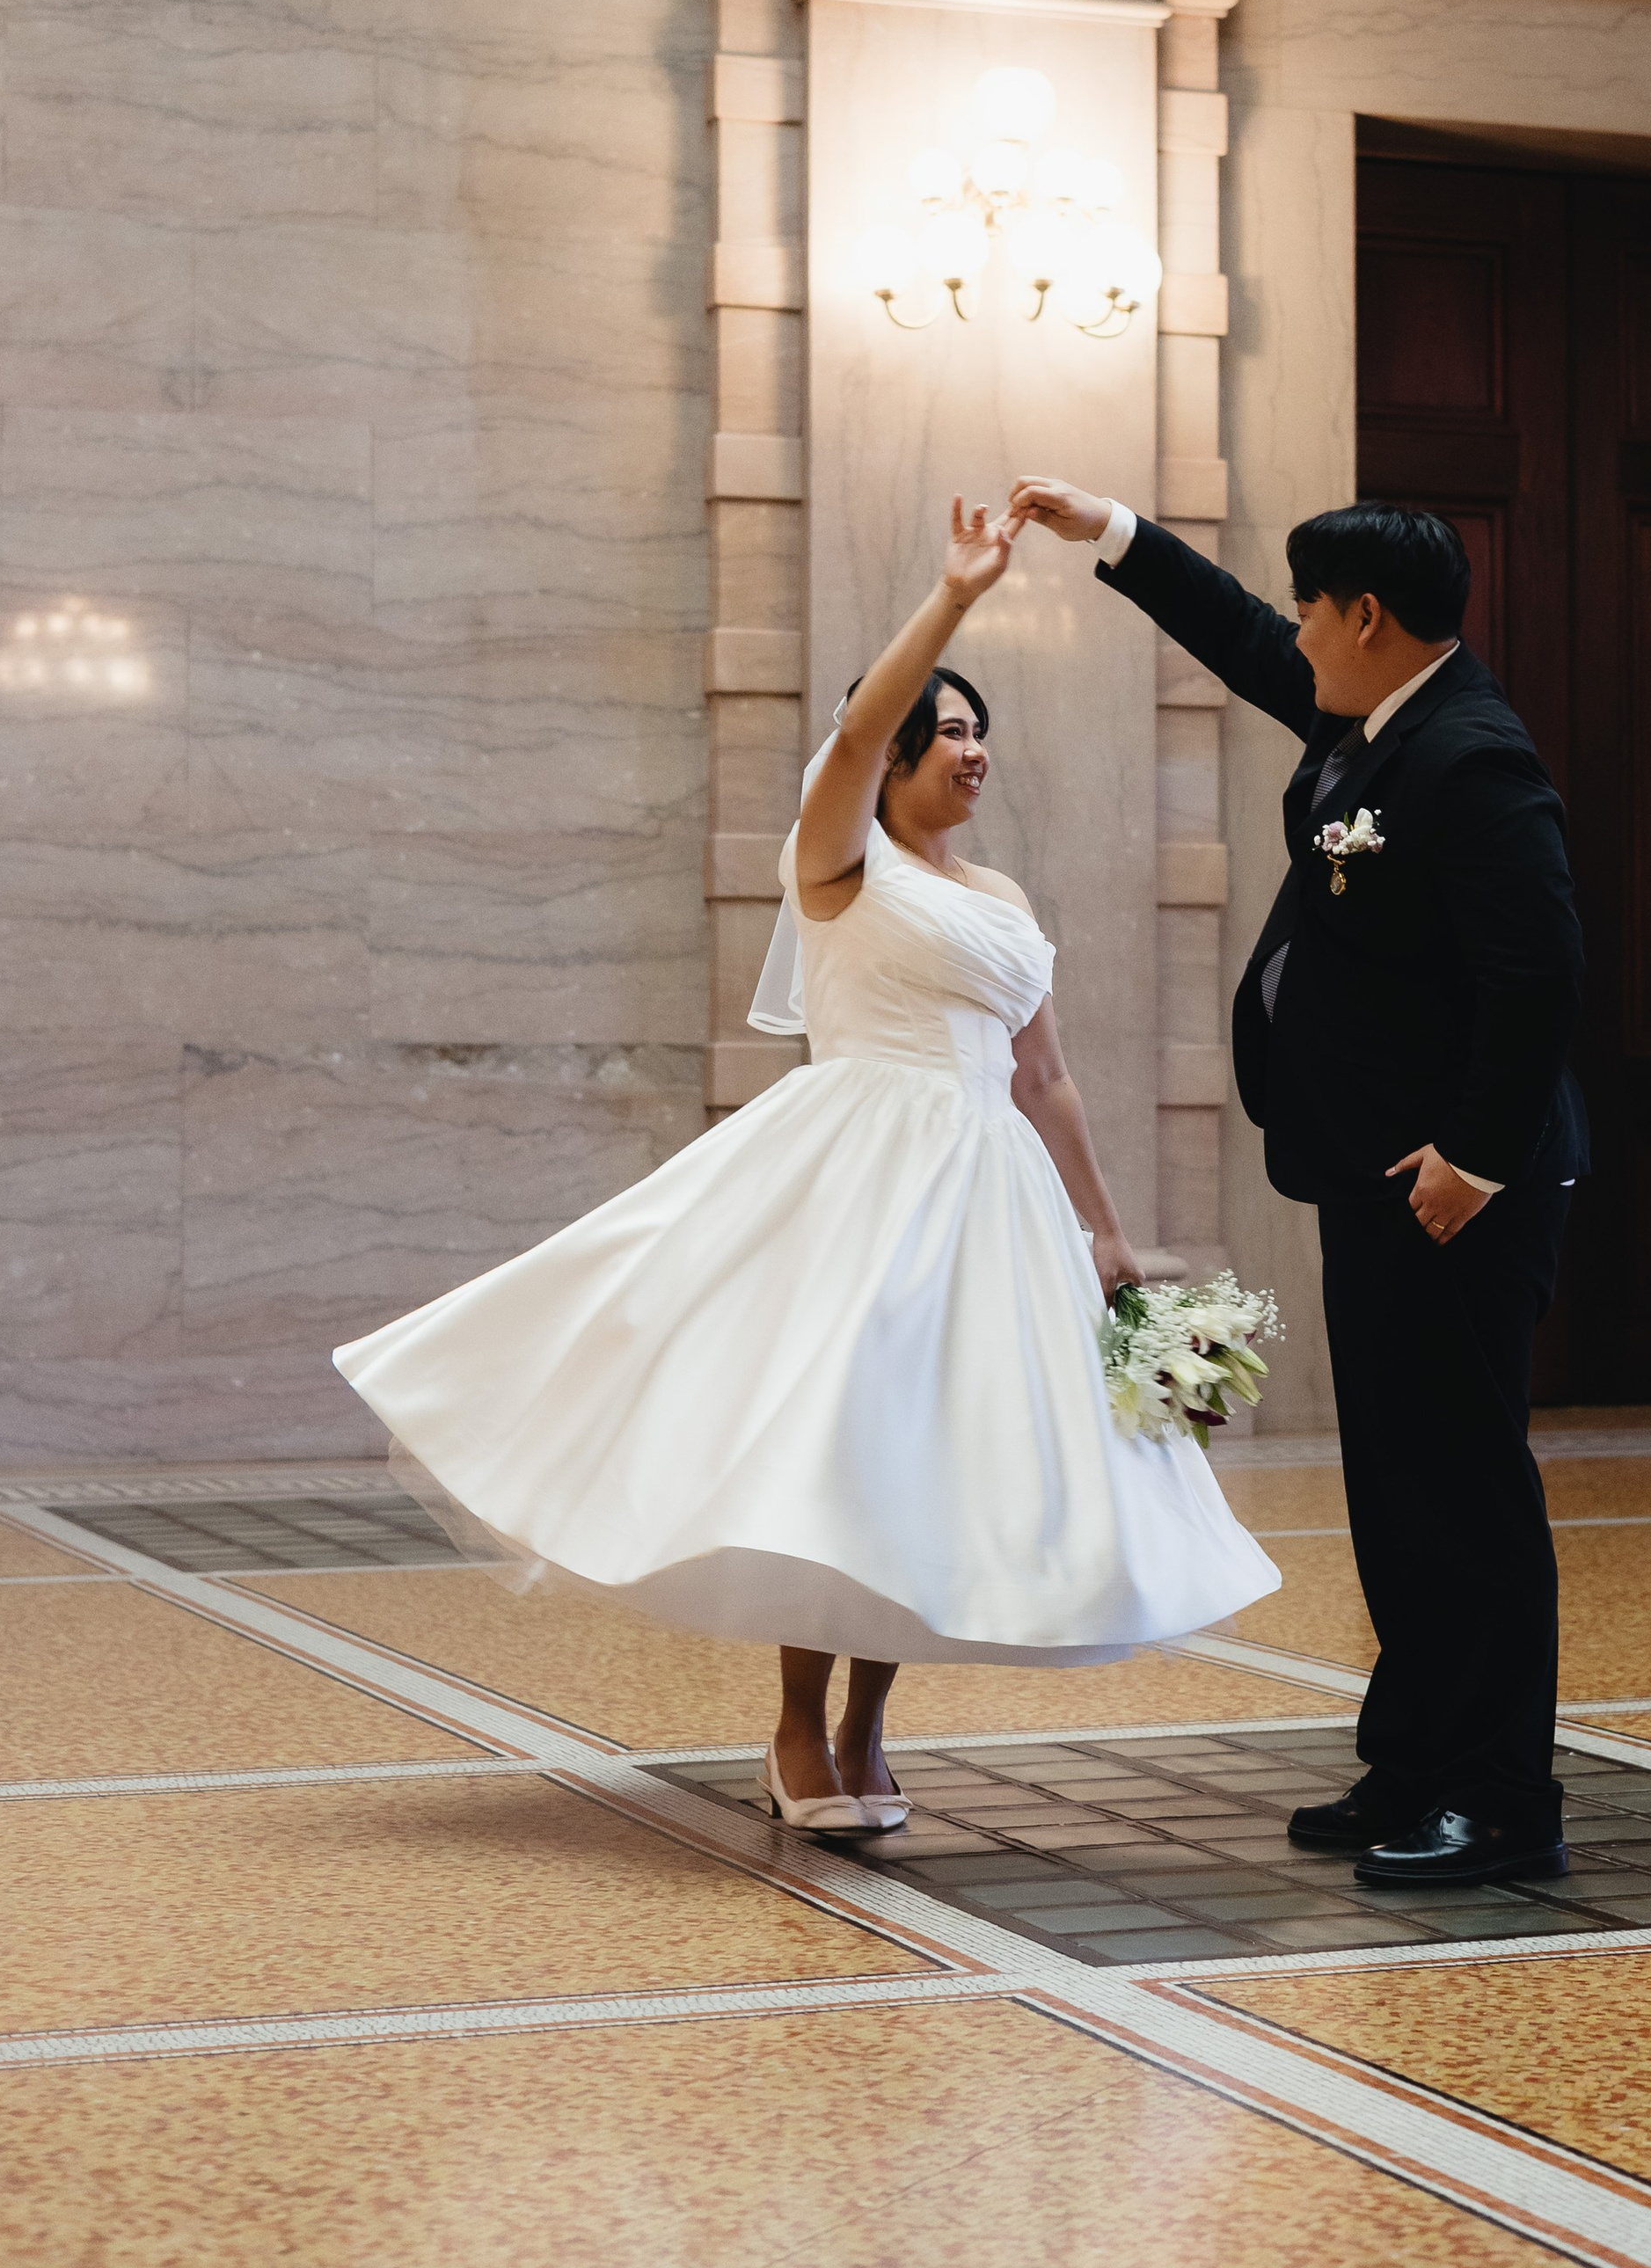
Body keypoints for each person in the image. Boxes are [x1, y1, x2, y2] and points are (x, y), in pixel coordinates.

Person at [334, 499, 1276, 1835]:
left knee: (927, 1453)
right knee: (838, 1434)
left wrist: (1110, 1235)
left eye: (977, 731)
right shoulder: (838, 858)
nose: (975, 751)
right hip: (858, 1168)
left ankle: (867, 1722)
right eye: (950, 732)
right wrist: (952, 601)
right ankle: (791, 1726)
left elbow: (1045, 1074)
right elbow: (844, 733)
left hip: (985, 1185)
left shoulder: (999, 901)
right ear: (892, 756)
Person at [1009, 480, 1585, 1892]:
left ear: (1371, 618)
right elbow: (1248, 644)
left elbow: (1542, 974)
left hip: (1457, 1184)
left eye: (1316, 605)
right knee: (1395, 1478)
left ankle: (1501, 1793)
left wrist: (1477, 1156)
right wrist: (1120, 536)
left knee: (1465, 1483)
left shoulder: (1473, 756)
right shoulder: (1371, 715)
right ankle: (1413, 1756)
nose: (1300, 628)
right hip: (1374, 1174)